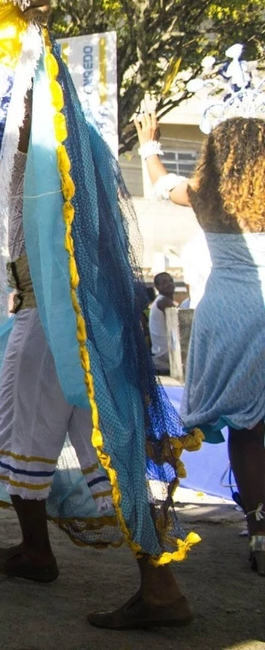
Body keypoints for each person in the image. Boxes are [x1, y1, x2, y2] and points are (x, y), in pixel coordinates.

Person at [0, 72, 192, 629]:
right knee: (102, 447)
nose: (10, 113)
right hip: (76, 317)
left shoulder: (50, 154)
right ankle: (144, 577)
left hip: (52, 317)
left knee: (24, 432)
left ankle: (44, 554)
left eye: (20, 99)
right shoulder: (78, 149)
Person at [136, 106, 265, 575]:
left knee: (246, 434)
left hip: (228, 314)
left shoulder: (205, 195)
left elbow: (160, 182)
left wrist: (149, 140)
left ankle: (260, 535)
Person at [149, 271, 176, 374]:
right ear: (157, 286)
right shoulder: (164, 301)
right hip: (165, 353)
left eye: (171, 281)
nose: (169, 284)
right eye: (164, 282)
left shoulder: (160, 301)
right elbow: (180, 326)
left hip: (160, 352)